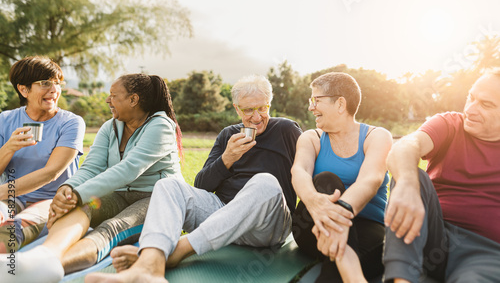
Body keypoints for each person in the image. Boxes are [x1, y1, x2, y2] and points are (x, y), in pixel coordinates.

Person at [85, 74, 303, 283]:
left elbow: (307, 172)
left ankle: (176, 252)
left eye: (262, 108)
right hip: (222, 215)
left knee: (264, 182)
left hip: (266, 225)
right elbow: (202, 185)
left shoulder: (286, 130)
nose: (256, 117)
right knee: (169, 185)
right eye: (248, 110)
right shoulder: (228, 135)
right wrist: (227, 159)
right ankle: (150, 265)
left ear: (270, 104)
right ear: (237, 109)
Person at [1, 73, 184, 283]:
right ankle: (42, 257)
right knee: (79, 207)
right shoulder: (110, 127)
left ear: (133, 100)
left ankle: (51, 267)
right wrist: (68, 191)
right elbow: (91, 167)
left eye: (114, 95)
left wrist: (78, 193)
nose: (108, 100)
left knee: (113, 227)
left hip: (157, 197)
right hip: (120, 195)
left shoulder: (161, 126)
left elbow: (129, 169)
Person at [384, 69, 500, 282]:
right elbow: (405, 147)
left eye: (486, 105)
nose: (471, 110)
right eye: (471, 98)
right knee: (412, 175)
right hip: (431, 235)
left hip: (486, 253)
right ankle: (401, 279)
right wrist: (408, 186)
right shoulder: (450, 124)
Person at [291, 72, 392, 282]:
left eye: (316, 100)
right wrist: (313, 201)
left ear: (340, 104)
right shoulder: (311, 138)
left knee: (346, 252)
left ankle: (336, 271)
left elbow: (370, 179)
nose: (311, 107)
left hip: (368, 229)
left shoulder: (377, 136)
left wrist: (340, 213)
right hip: (312, 223)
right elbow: (299, 171)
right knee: (327, 180)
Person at [0, 56, 85, 253]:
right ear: (23, 89)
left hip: (51, 200)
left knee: (10, 233)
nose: (54, 89)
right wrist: (8, 148)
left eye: (57, 83)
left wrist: (3, 192)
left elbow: (52, 172)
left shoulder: (71, 123)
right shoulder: (5, 120)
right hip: (12, 198)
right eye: (45, 83)